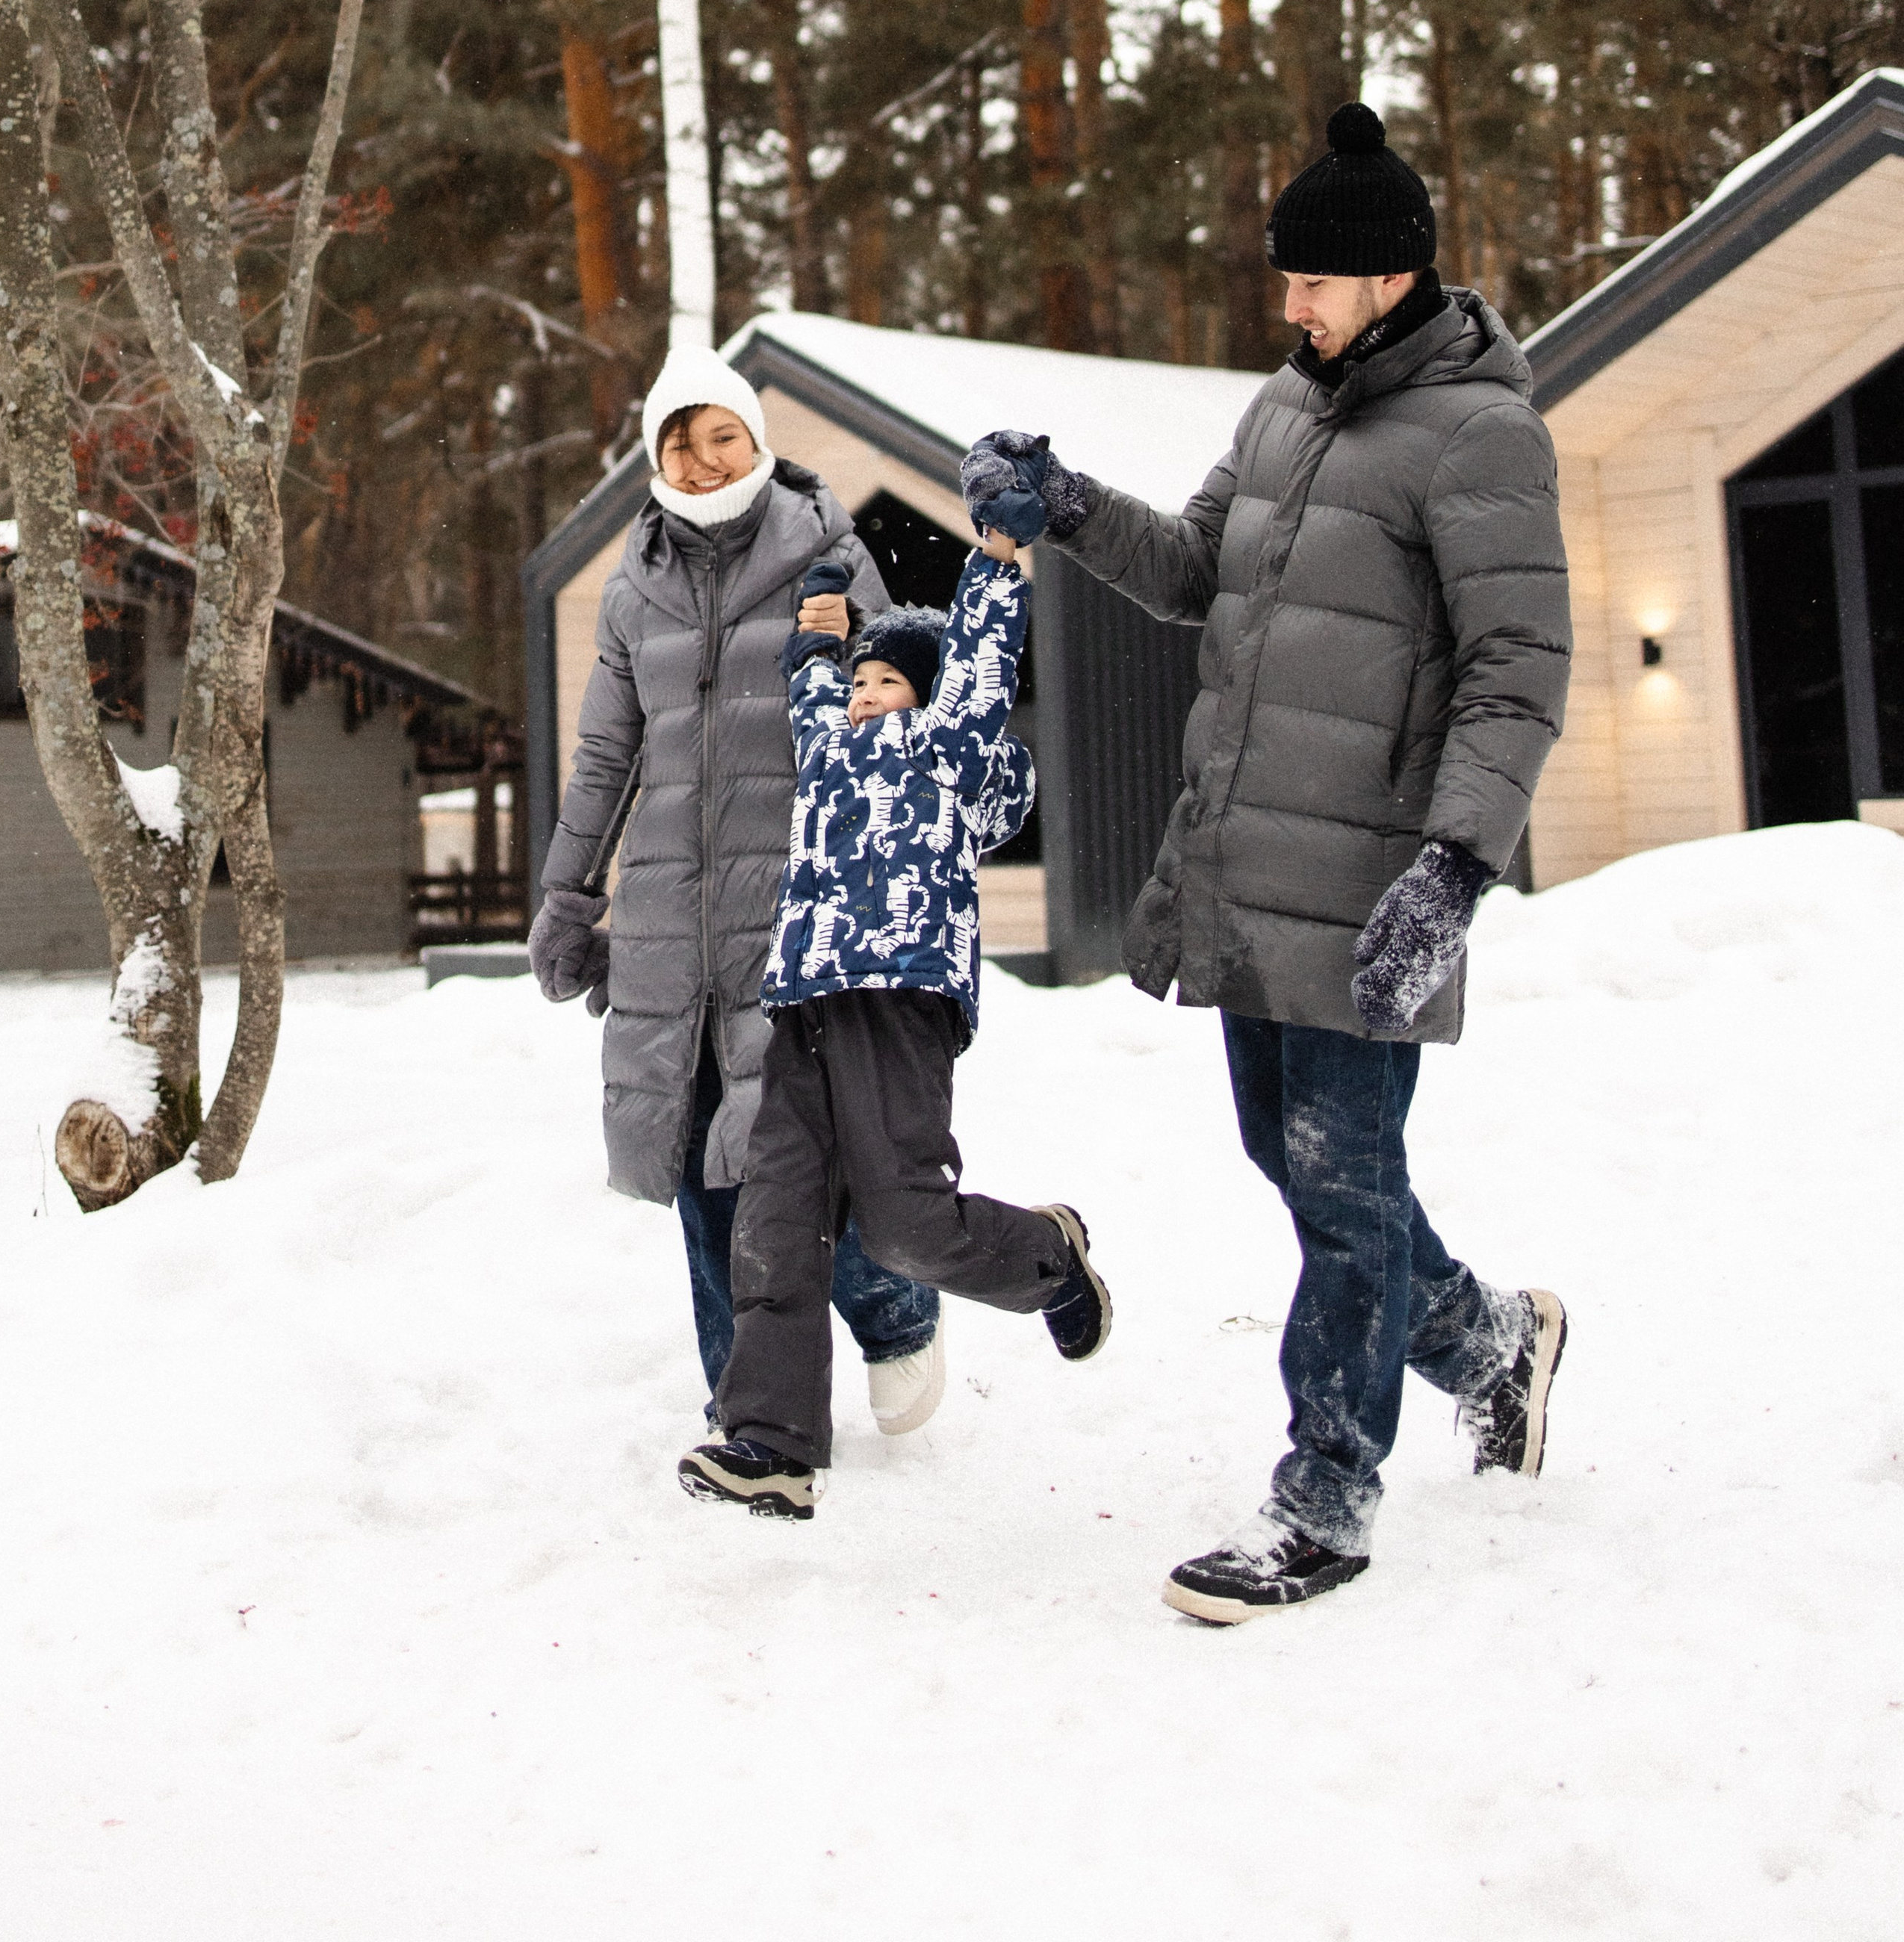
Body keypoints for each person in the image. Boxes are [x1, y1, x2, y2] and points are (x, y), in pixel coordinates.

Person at [960, 102, 1573, 1619]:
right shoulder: (1281, 412)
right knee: (1292, 1168)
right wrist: (1071, 507)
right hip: (1241, 862)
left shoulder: (1482, 433)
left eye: (1309, 281)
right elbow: (1191, 572)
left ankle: (1323, 1499)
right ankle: (1491, 1343)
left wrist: (1453, 869)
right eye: (1283, 281)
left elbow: (1514, 673)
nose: (1284, 305)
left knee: (1344, 1190)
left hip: (1373, 879)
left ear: (1390, 276)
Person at [530, 344, 944, 1436]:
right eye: (682, 442)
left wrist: (891, 896)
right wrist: (569, 895)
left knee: (812, 1154)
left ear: (759, 443)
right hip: (671, 924)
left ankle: (896, 1311)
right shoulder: (633, 591)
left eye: (724, 437)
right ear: (655, 458)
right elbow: (605, 762)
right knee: (700, 1160)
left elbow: (888, 735)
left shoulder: (833, 563)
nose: (705, 461)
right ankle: (745, 1404)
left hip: (802, 914)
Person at [677, 506, 1112, 1523]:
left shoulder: (945, 746)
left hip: (901, 1002)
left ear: (927, 695)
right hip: (806, 1004)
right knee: (776, 1226)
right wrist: (819, 629)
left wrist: (998, 562)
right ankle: (772, 1443)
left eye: (890, 682)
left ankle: (1048, 1256)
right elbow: (810, 677)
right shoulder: (831, 741)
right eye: (864, 683)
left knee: (907, 1227)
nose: (868, 696)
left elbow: (980, 667)